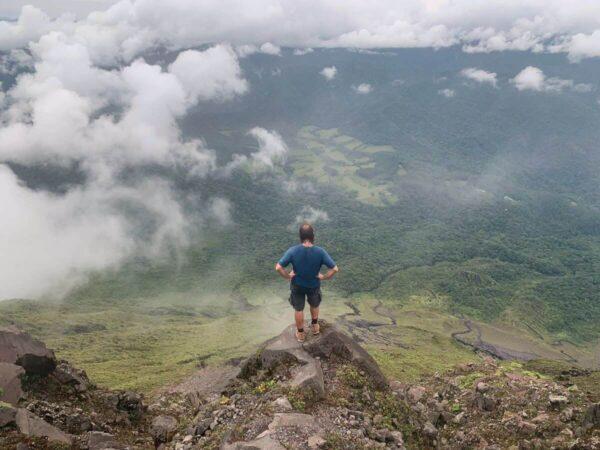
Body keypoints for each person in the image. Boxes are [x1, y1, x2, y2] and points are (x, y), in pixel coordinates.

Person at [275, 223, 339, 342]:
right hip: (313, 285)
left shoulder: (293, 251)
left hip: (297, 285)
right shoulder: (320, 252)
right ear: (312, 236)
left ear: (300, 236)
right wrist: (323, 277)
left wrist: (288, 276)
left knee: (298, 309)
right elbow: (335, 269)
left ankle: (300, 334)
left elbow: (278, 267)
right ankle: (315, 327)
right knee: (314, 304)